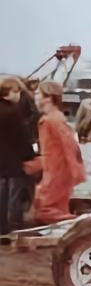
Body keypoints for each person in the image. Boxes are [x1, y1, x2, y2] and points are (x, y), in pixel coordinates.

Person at [33, 81, 86, 224]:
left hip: (56, 172)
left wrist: (75, 171)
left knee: (47, 209)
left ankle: (79, 224)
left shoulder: (52, 121)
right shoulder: (54, 119)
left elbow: (69, 146)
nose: (35, 96)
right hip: (54, 171)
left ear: (48, 98)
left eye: (38, 93)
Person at [0, 77, 37, 236]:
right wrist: (30, 155)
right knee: (13, 192)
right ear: (9, 93)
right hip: (12, 160)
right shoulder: (13, 112)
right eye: (17, 92)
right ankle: (12, 225)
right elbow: (22, 137)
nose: (19, 96)